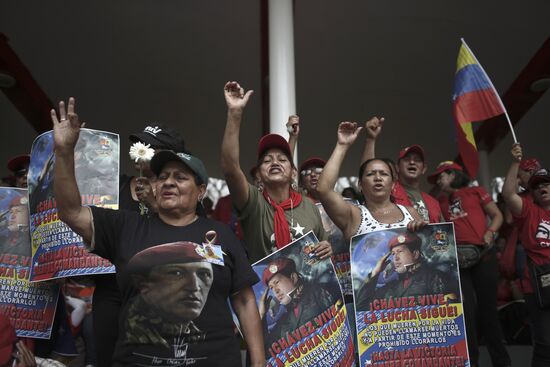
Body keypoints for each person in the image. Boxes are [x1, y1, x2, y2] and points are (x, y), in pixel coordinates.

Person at [51, 97, 265, 367]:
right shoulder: (126, 226)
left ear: (201, 192)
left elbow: (245, 301)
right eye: (163, 177)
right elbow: (70, 212)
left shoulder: (220, 235)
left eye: (180, 177)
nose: (169, 183)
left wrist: (258, 363)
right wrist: (64, 152)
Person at [92, 123, 189, 367]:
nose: (141, 149)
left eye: (150, 146)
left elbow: (186, 236)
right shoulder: (117, 186)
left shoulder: (183, 194)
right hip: (110, 289)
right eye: (140, 144)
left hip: (156, 295)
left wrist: (155, 204)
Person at [221, 81, 332, 263]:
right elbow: (230, 169)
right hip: (266, 289)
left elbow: (323, 246)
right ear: (259, 174)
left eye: (281, 160)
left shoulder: (309, 206)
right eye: (266, 160)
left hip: (307, 289)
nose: (274, 162)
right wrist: (235, 113)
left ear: (293, 173)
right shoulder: (254, 203)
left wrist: (326, 248)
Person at [428, 160, 510, 367]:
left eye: (441, 176)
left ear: (453, 175)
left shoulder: (476, 191)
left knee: (489, 311)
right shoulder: (439, 201)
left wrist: (491, 232)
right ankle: (470, 362)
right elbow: (439, 233)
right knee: (466, 313)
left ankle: (502, 362)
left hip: (484, 256)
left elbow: (497, 215)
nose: (438, 180)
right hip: (458, 262)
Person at [317, 121, 425, 243]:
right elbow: (324, 189)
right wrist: (342, 145)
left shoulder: (411, 213)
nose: (378, 178)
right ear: (360, 185)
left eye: (384, 174)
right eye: (370, 174)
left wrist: (422, 233)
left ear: (393, 184)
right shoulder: (353, 215)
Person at [502, 143, 550, 367]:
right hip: (538, 285)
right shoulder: (529, 211)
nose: (542, 188)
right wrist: (514, 163)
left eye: (547, 184)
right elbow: (508, 194)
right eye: (537, 186)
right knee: (545, 343)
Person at [125, 242, 213, 347]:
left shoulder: (199, 337)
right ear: (143, 285)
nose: (194, 287)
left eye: (203, 274)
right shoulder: (130, 334)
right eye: (177, 273)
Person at [361, 117, 442, 223]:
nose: (412, 162)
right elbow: (368, 172)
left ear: (424, 169)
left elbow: (444, 234)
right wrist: (371, 140)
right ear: (397, 167)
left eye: (417, 160)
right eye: (407, 159)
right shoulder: (390, 189)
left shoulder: (434, 202)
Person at [355, 232, 458, 309]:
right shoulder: (389, 287)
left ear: (415, 254)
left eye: (400, 252)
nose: (395, 258)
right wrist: (375, 274)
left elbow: (452, 310)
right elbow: (361, 307)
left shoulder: (435, 278)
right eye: (393, 254)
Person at [260, 257, 335, 347]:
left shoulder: (318, 293)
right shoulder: (283, 319)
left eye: (277, 282)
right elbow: (267, 349)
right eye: (271, 287)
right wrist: (262, 315)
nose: (275, 291)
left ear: (293, 278)